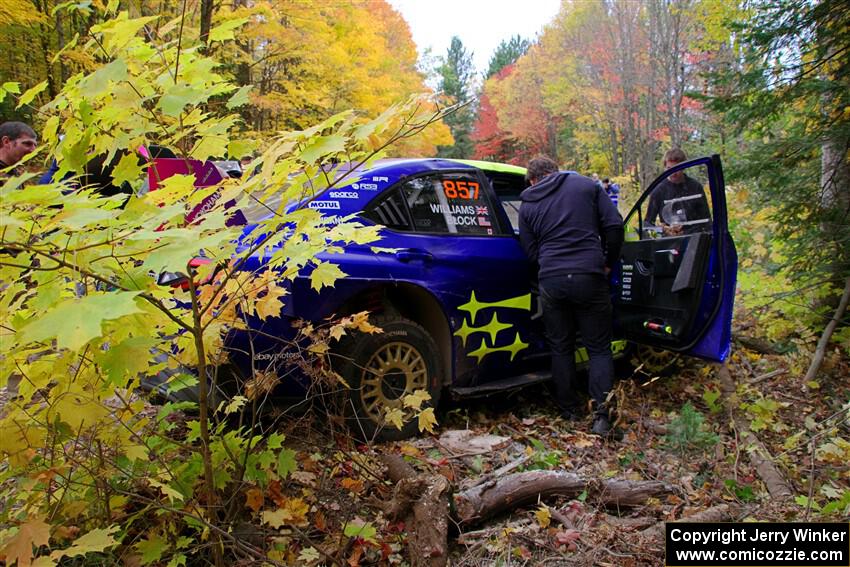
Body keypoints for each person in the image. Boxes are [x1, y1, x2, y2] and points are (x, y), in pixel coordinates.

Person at [519, 156, 624, 436]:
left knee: (560, 346)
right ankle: (602, 416)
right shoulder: (585, 186)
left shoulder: (528, 202)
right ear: (555, 171)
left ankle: (568, 409)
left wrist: (549, 264)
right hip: (589, 274)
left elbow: (530, 252)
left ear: (533, 179)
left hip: (552, 281)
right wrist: (608, 262)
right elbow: (614, 226)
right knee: (599, 348)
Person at [645, 148, 710, 235]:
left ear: (683, 168)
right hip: (669, 242)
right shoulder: (658, 191)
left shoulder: (695, 187)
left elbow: (706, 220)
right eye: (669, 168)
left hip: (695, 239)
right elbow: (647, 224)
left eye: (677, 169)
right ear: (665, 167)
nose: (673, 173)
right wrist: (663, 229)